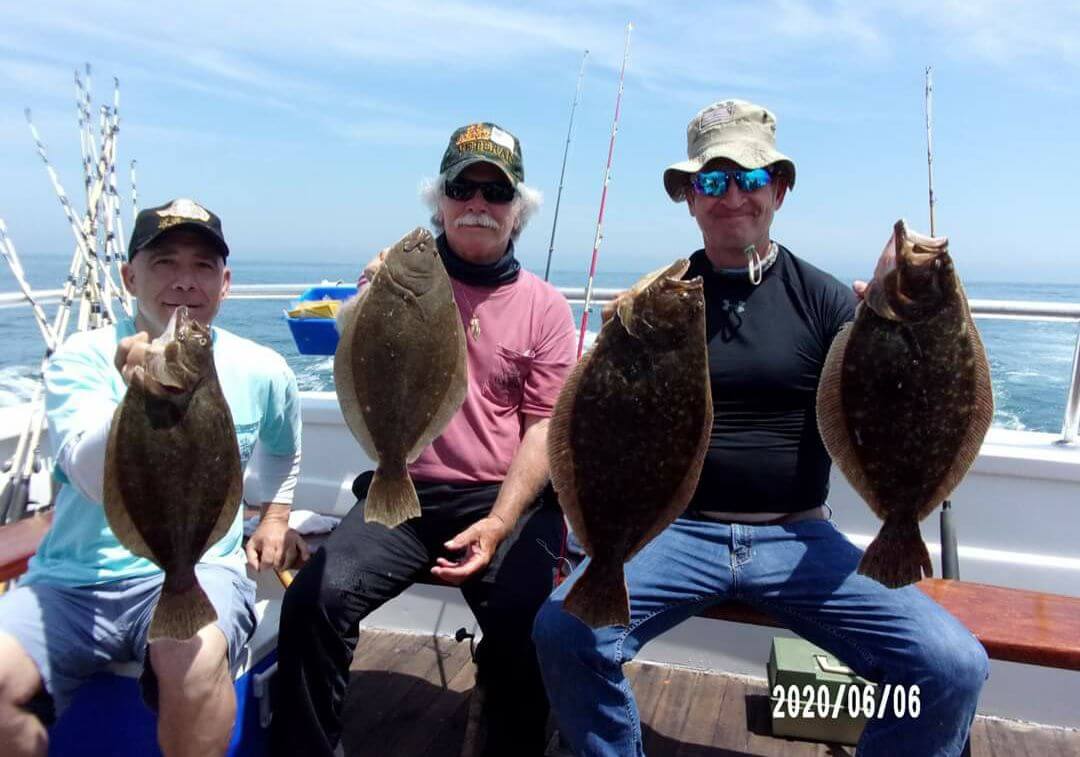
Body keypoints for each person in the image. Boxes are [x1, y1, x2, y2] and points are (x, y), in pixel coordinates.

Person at [532, 99, 989, 757]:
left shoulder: (825, 297)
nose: (732, 196)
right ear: (689, 198)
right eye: (712, 181)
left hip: (797, 534)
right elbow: (598, 419)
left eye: (749, 178)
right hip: (674, 528)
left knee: (951, 665)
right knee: (565, 631)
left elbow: (893, 394)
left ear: (778, 189)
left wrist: (891, 324)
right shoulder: (659, 300)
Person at [273, 123, 577, 756]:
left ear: (517, 211)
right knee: (313, 601)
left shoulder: (545, 307)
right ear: (438, 200)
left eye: (496, 192)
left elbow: (544, 426)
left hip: (502, 501)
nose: (478, 204)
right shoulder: (393, 277)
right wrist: (367, 299)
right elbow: (357, 366)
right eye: (462, 187)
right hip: (400, 491)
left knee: (534, 624)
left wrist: (498, 523)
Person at [0, 198, 305, 757]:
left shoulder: (265, 369)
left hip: (200, 564)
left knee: (188, 657)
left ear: (226, 282)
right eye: (165, 262)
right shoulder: (83, 357)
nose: (185, 282)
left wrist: (277, 517)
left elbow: (285, 450)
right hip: (73, 581)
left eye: (203, 266)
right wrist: (136, 400)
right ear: (129, 275)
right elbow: (89, 477)